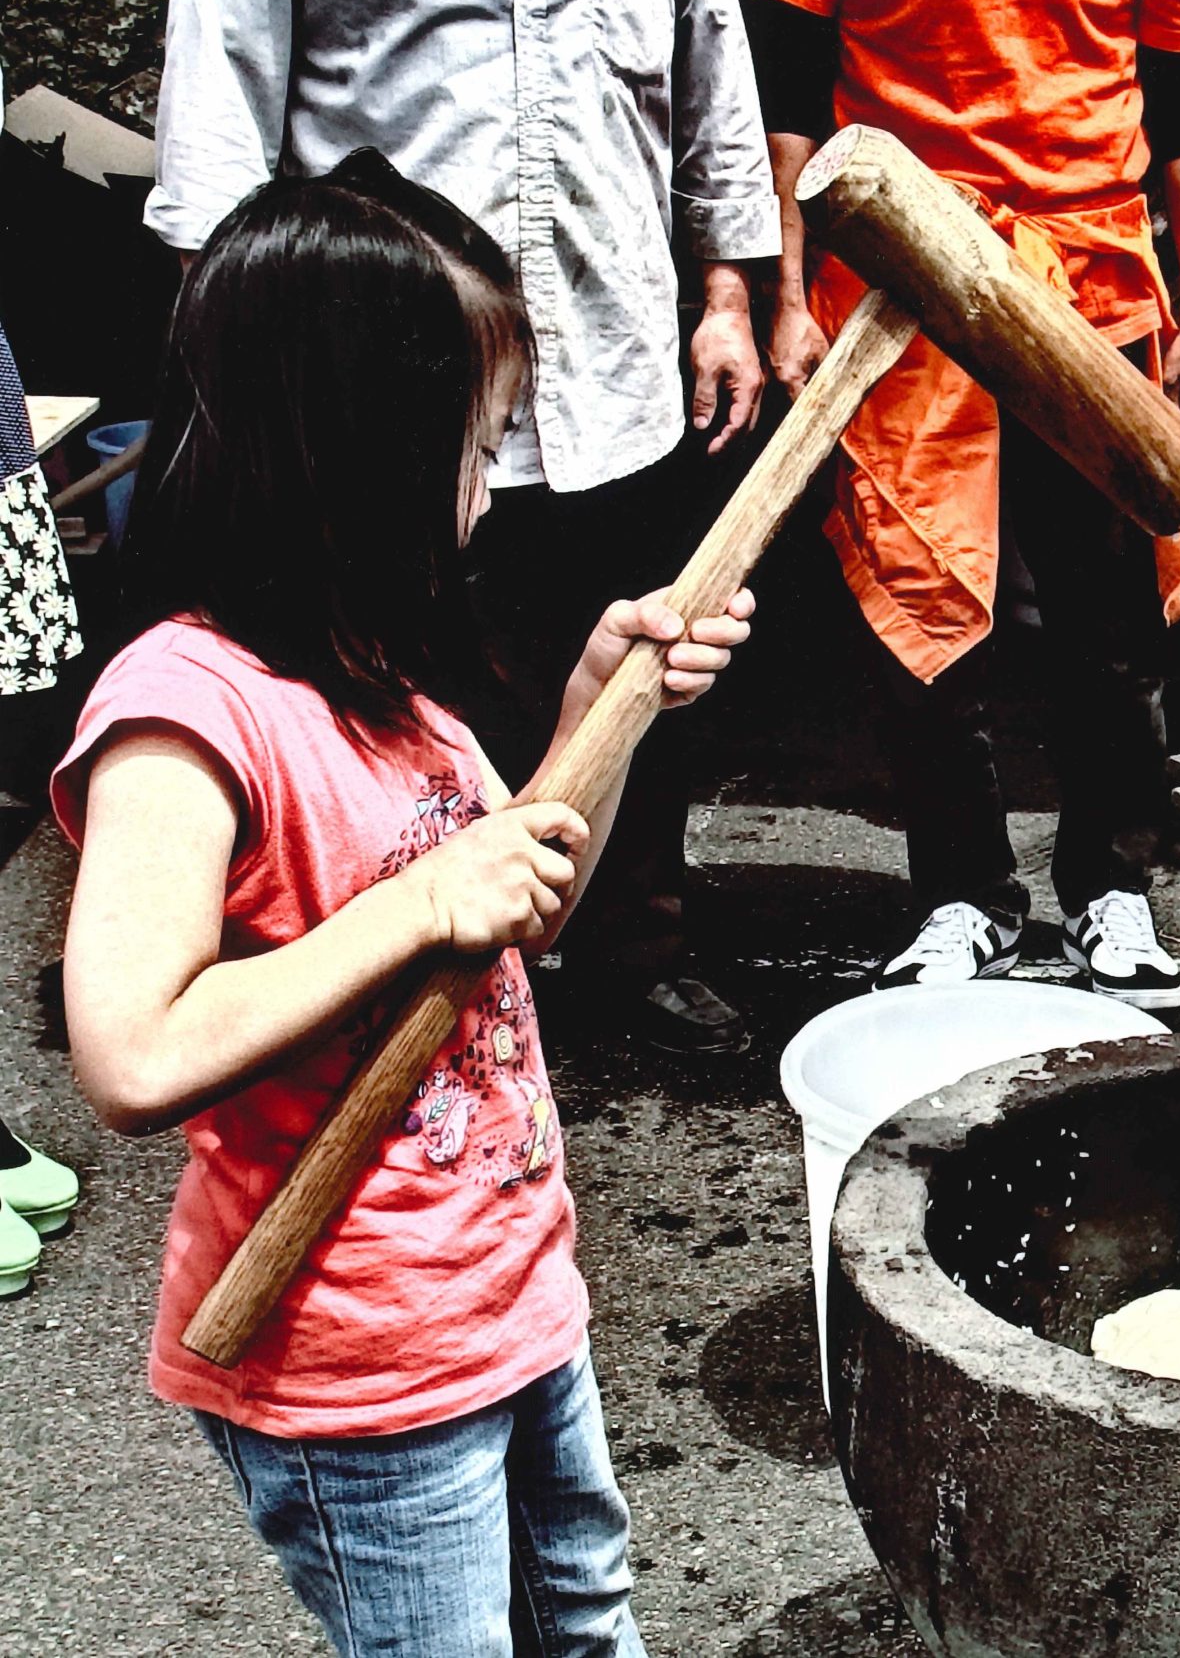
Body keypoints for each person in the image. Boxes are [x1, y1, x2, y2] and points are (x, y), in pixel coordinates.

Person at [53, 153, 752, 1656]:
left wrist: (600, 708)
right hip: (354, 1363)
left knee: (587, 1622)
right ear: (352, 446)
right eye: (473, 444)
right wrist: (423, 902)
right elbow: (130, 1051)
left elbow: (525, 912)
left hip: (512, 1294)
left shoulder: (392, 690)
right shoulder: (185, 711)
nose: (487, 488)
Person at [144, 0, 779, 1052]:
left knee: (637, 662)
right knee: (396, 694)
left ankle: (634, 943)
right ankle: (408, 979)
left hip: (615, 352)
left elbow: (712, 89)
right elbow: (218, 144)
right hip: (392, 394)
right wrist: (253, 392)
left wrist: (728, 292)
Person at [729, 0, 1180, 1009]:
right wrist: (784, 294)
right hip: (897, 285)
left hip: (1090, 285)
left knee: (1113, 621)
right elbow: (780, 95)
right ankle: (958, 893)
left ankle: (1115, 887)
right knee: (919, 604)